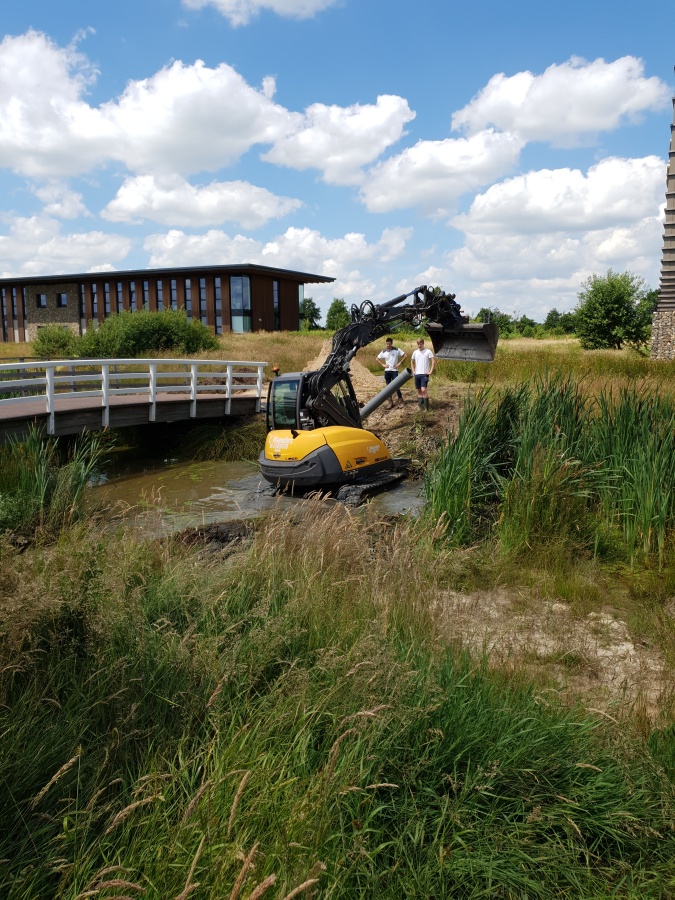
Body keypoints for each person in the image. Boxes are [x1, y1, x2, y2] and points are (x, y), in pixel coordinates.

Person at [376, 337, 407, 407]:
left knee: (396, 386)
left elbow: (405, 355)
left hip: (394, 371)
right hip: (387, 371)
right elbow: (377, 359)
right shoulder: (383, 352)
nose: (388, 345)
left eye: (389, 344)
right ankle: (390, 402)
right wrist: (382, 364)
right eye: (387, 344)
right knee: (388, 387)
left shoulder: (396, 350)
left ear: (392, 344)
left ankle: (400, 400)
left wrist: (399, 363)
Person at [411, 337, 435, 410]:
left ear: (423, 343)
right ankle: (420, 406)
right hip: (417, 374)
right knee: (419, 391)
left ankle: (426, 408)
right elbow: (412, 361)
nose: (419, 345)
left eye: (420, 344)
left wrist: (430, 371)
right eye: (418, 344)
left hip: (424, 374)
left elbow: (433, 361)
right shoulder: (415, 352)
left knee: (423, 390)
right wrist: (413, 371)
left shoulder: (428, 351)